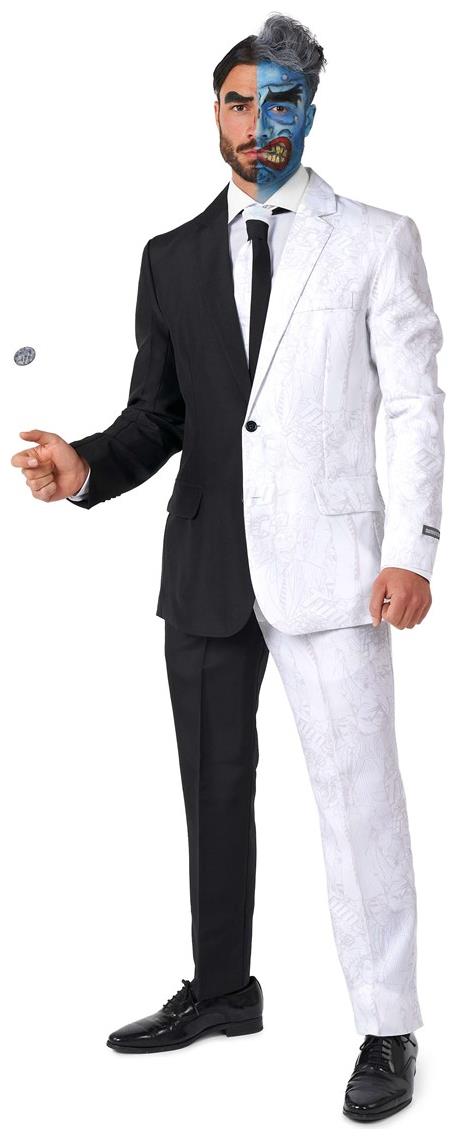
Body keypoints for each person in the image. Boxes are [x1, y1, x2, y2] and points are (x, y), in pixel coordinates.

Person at [10, 12, 445, 1123]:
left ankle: (386, 1023)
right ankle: (221, 990)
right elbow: (159, 414)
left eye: (279, 103)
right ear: (215, 113)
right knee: (212, 791)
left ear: (311, 111)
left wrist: (409, 548)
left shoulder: (376, 238)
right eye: (240, 103)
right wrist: (84, 466)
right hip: (206, 563)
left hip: (338, 569)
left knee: (358, 800)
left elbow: (412, 404)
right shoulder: (170, 255)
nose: (259, 124)